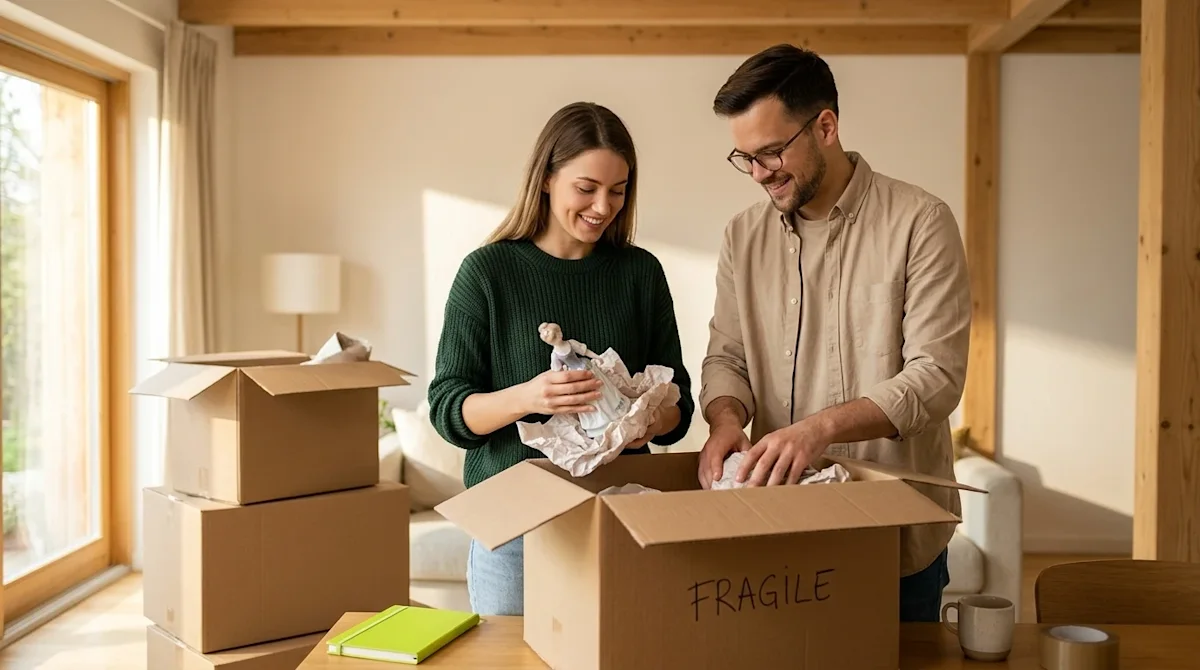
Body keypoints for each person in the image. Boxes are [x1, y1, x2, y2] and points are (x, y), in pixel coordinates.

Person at [697, 44, 971, 623]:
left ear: (825, 127)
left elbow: (937, 377)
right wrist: (725, 421)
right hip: (779, 528)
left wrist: (817, 430)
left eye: (771, 152)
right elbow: (728, 357)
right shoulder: (741, 238)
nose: (759, 173)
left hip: (894, 534)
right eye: (745, 158)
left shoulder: (921, 222)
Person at [427, 101, 695, 616]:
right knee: (513, 656)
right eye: (586, 188)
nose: (603, 206)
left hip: (621, 518)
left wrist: (646, 421)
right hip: (513, 526)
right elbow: (448, 411)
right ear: (547, 179)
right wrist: (531, 398)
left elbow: (678, 407)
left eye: (618, 190)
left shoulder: (640, 274)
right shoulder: (487, 274)